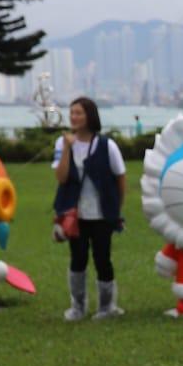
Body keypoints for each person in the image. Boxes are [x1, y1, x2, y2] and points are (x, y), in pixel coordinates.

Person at [53, 97, 126, 320]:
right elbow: (61, 177)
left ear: (90, 116)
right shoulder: (62, 143)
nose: (74, 117)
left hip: (101, 214)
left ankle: (107, 306)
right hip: (75, 214)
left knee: (102, 258)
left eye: (79, 113)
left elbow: (120, 177)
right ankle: (78, 306)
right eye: (72, 113)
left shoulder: (106, 145)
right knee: (78, 258)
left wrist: (116, 208)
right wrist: (67, 148)